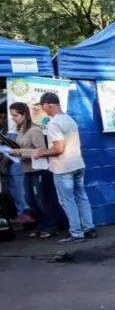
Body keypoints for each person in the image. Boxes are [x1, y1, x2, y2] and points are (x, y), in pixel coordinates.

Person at [32, 92, 97, 244]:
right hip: (78, 164)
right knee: (81, 197)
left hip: (63, 167)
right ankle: (89, 228)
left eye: (43, 107)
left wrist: (41, 153)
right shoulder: (70, 119)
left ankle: (76, 233)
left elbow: (58, 148)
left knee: (68, 201)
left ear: (49, 104)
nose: (43, 110)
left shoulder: (54, 123)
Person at [7, 102, 63, 238]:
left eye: (16, 115)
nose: (13, 118)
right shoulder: (20, 131)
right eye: (12, 115)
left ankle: (52, 226)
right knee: (30, 199)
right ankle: (41, 225)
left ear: (24, 114)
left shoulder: (35, 130)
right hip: (27, 170)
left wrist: (19, 152)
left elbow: (41, 151)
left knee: (40, 199)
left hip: (39, 170)